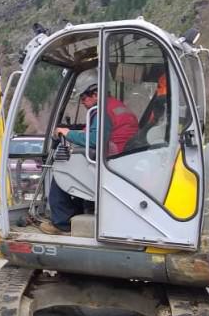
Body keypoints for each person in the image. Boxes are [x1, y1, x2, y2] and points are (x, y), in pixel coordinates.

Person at [40, 83, 138, 235]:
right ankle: (79, 212)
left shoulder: (102, 111)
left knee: (63, 169)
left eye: (84, 98)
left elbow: (95, 140)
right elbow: (99, 132)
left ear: (96, 94)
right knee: (77, 168)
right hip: (122, 156)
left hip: (110, 158)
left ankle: (61, 223)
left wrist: (67, 133)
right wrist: (75, 133)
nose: (83, 102)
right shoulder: (115, 106)